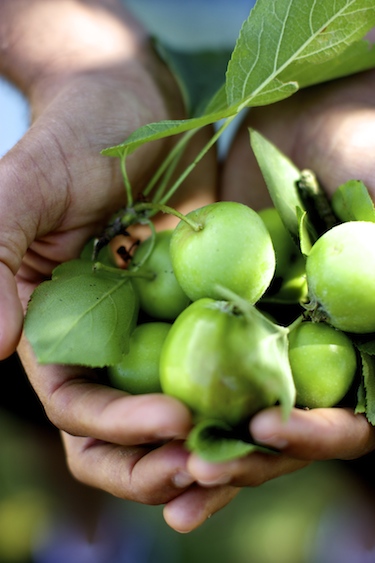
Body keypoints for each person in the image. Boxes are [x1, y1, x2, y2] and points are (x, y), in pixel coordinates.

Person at [1, 0, 375, 535]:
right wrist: (71, 56)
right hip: (60, 205)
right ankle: (82, 534)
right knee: (42, 393)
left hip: (221, 123)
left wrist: (361, 91)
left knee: (349, 442)